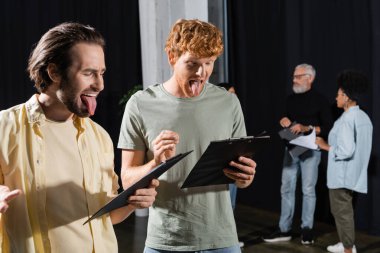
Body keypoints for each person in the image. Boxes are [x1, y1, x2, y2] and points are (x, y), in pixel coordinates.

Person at [0, 22, 158, 252]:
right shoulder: (5, 127)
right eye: (88, 73)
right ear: (54, 72)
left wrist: (133, 202)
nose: (100, 84)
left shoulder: (99, 137)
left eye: (102, 73)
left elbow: (107, 216)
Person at [118, 19, 256, 253]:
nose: (202, 73)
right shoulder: (141, 104)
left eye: (209, 63)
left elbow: (243, 180)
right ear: (172, 57)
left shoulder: (228, 102)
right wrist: (155, 162)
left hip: (221, 240)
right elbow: (127, 179)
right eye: (192, 63)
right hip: (165, 241)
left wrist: (245, 177)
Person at [263, 63, 333, 245]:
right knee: (286, 188)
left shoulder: (321, 100)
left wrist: (306, 128)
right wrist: (283, 120)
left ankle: (307, 229)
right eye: (293, 76)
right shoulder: (290, 99)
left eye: (298, 76)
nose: (293, 80)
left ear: (309, 78)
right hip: (292, 148)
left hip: (310, 149)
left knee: (308, 190)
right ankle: (284, 229)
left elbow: (328, 128)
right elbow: (284, 118)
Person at [316, 70, 372, 253]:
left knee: (342, 212)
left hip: (342, 174)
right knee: (344, 211)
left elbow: (347, 150)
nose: (336, 97)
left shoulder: (348, 119)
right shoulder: (363, 117)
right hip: (352, 173)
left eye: (339, 94)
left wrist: (325, 146)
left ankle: (348, 248)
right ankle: (346, 243)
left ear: (347, 97)